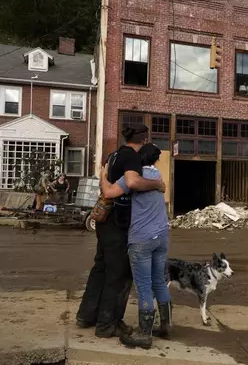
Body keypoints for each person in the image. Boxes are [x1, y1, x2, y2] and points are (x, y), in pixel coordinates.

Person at [76, 124, 166, 339]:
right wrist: (156, 184)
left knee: (101, 268)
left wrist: (103, 177)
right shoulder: (132, 157)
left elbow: (105, 181)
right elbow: (133, 182)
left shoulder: (114, 154)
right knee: (119, 274)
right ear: (144, 141)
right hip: (119, 223)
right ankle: (108, 325)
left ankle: (87, 315)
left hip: (105, 221)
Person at [100, 143, 171, 349]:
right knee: (159, 280)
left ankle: (144, 334)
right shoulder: (158, 177)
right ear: (156, 160)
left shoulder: (134, 178)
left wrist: (103, 174)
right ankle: (166, 325)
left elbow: (109, 193)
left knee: (143, 286)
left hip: (141, 239)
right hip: (161, 236)